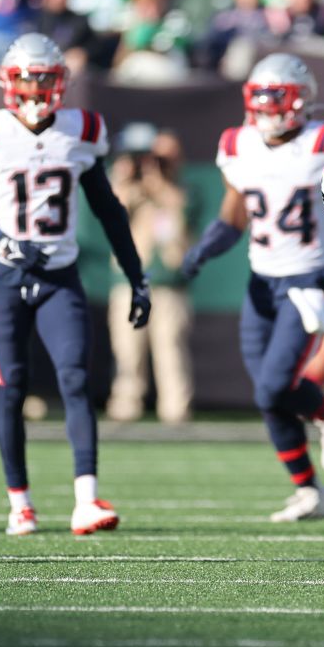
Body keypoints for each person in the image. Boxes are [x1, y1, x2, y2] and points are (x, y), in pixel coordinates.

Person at [0, 33, 151, 537]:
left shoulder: (80, 129)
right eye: (29, 80)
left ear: (60, 82)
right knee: (11, 387)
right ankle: (20, 502)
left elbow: (109, 210)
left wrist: (135, 275)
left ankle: (86, 499)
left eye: (46, 80)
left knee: (76, 381)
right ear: (9, 83)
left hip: (60, 277)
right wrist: (5, 243)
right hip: (5, 277)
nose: (38, 91)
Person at [179, 53, 324, 522]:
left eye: (277, 99)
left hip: (309, 279)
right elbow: (235, 211)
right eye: (260, 99)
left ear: (301, 100)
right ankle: (311, 490)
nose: (268, 110)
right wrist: (205, 247)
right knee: (267, 393)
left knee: (273, 386)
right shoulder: (237, 144)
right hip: (261, 281)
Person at [106, 124, 194, 423]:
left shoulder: (183, 191)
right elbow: (111, 209)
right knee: (127, 351)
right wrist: (126, 176)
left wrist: (159, 184)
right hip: (131, 282)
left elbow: (183, 212)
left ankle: (176, 410)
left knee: (170, 351)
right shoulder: (130, 188)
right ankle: (125, 405)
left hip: (169, 285)